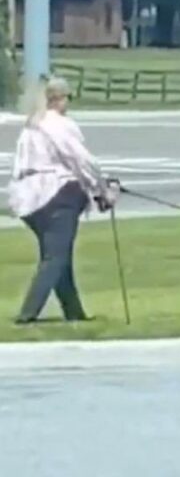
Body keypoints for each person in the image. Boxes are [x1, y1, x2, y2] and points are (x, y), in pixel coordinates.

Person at [7, 76, 118, 325]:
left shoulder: (31, 126)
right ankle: (27, 314)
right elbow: (81, 160)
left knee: (59, 256)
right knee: (55, 258)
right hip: (58, 195)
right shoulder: (59, 124)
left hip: (28, 199)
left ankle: (74, 312)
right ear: (59, 99)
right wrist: (102, 189)